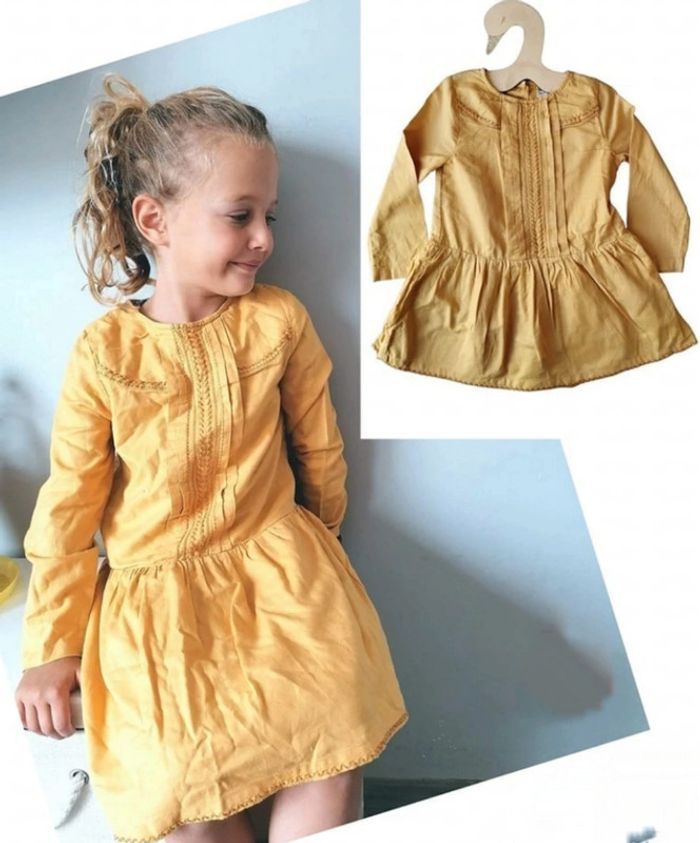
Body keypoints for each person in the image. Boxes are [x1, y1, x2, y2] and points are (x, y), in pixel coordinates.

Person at [14, 72, 408, 843]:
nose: (265, 238)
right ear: (154, 219)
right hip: (159, 619)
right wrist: (51, 647)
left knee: (332, 742)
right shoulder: (105, 354)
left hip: (282, 582)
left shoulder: (277, 321)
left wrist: (322, 537)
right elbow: (67, 507)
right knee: (182, 796)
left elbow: (319, 445)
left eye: (270, 215)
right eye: (240, 215)